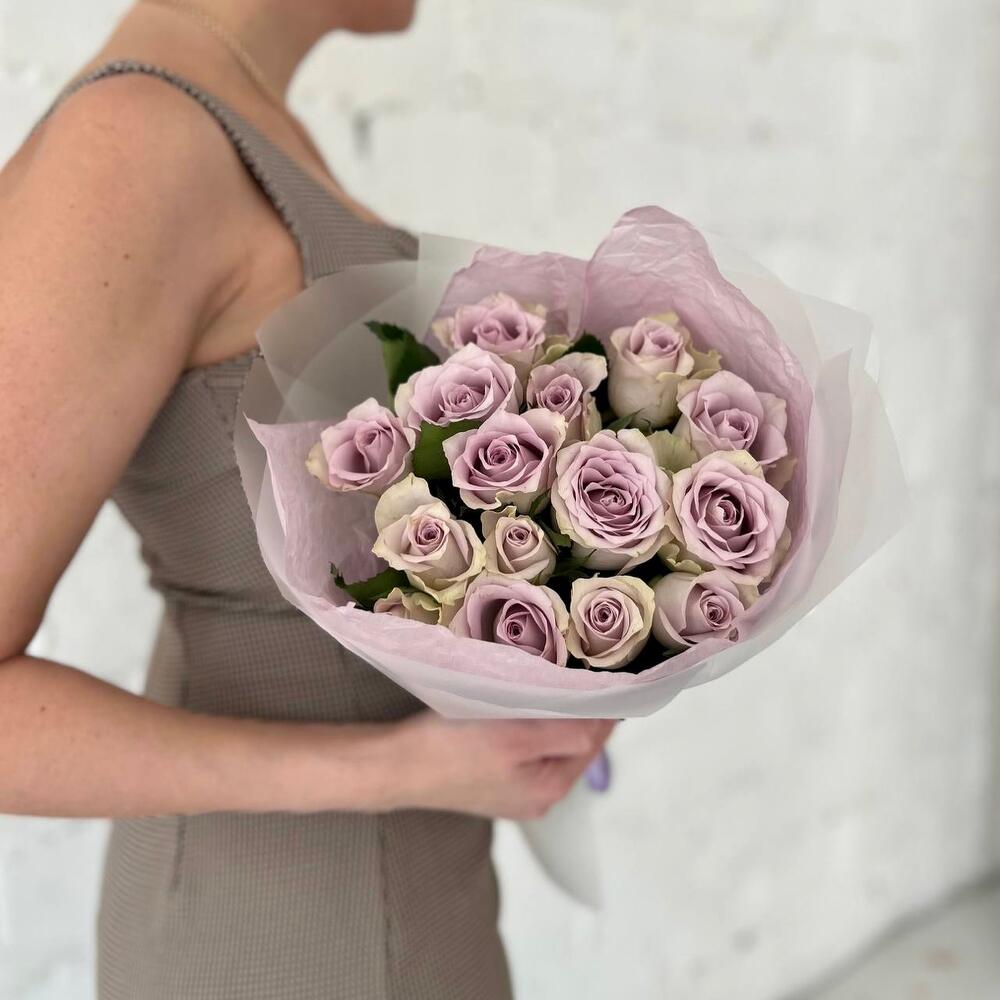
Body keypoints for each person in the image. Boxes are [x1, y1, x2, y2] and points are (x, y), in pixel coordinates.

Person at [0, 2, 615, 997]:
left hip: (405, 869)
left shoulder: (241, 128)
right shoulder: (133, 148)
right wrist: (391, 771)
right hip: (286, 923)